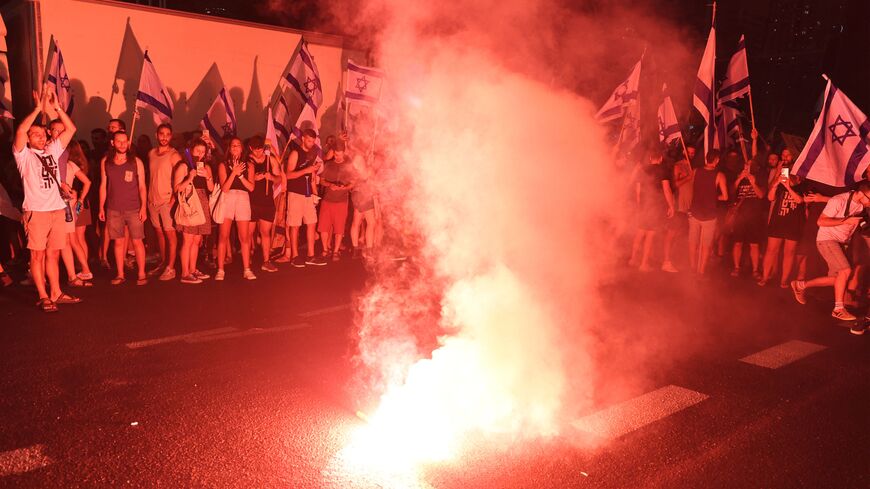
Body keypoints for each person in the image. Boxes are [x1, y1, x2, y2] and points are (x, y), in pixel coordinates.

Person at [12, 89, 81, 311]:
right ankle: (43, 295)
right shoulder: (23, 155)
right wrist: (36, 109)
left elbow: (71, 129)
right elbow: (21, 130)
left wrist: (56, 107)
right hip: (37, 211)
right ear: (29, 139)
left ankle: (56, 292)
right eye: (37, 135)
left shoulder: (52, 150)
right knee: (38, 254)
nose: (42, 138)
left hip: (57, 210)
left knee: (53, 254)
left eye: (43, 134)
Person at [790, 182, 870, 321]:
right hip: (827, 239)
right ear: (861, 194)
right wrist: (846, 221)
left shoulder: (860, 203)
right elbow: (821, 222)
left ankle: (801, 285)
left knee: (837, 279)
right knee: (846, 271)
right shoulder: (838, 200)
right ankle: (838, 309)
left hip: (842, 243)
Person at [99, 131, 148, 286]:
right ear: (113, 143)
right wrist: (101, 207)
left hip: (133, 208)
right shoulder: (106, 161)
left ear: (128, 142)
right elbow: (103, 186)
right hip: (113, 209)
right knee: (118, 243)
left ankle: (141, 273)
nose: (122, 144)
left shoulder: (136, 162)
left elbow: (142, 186)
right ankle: (120, 274)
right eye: (118, 141)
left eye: (124, 141)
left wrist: (143, 207)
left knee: (137, 241)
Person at [278, 128, 326, 267]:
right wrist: (306, 170)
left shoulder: (312, 154)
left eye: (313, 141)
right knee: (295, 225)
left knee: (312, 223)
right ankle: (295, 256)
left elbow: (311, 176)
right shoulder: (295, 153)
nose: (311, 143)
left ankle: (311, 255)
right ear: (303, 138)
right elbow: (288, 175)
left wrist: (315, 193)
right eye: (309, 140)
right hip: (295, 194)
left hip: (308, 194)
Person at [173, 139, 214, 284]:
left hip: (202, 202)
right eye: (198, 151)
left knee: (197, 240)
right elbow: (177, 188)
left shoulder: (206, 167)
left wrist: (207, 177)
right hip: (190, 203)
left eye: (203, 152)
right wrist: (190, 177)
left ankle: (192, 269)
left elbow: (211, 188)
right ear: (191, 151)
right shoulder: (184, 166)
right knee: (188, 239)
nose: (200, 155)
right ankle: (185, 273)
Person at [216, 137, 256, 281]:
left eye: (238, 145)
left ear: (242, 148)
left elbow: (251, 187)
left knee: (244, 237)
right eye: (233, 145)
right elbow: (225, 188)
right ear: (229, 148)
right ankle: (220, 270)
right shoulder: (223, 164)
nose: (235, 148)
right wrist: (233, 172)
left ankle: (247, 269)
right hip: (228, 198)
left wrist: (240, 175)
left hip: (243, 199)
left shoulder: (249, 165)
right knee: (223, 236)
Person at [629, 150, 675, 272]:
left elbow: (637, 191)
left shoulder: (642, 169)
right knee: (650, 234)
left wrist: (640, 205)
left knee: (640, 232)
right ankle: (643, 264)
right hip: (655, 207)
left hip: (644, 205)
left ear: (650, 158)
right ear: (660, 158)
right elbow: (666, 189)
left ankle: (633, 259)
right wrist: (671, 206)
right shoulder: (662, 170)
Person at [759, 171, 805, 288]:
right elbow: (770, 198)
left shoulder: (804, 185)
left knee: (789, 253)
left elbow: (799, 200)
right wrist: (776, 184)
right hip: (778, 222)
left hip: (794, 224)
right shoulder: (780, 184)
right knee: (771, 250)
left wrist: (788, 187)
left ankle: (784, 280)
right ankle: (764, 277)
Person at [146, 123, 181, 281]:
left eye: (167, 134)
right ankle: (163, 262)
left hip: (167, 201)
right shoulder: (151, 153)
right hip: (152, 200)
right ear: (156, 135)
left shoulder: (174, 155)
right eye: (162, 134)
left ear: (171, 136)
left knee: (170, 235)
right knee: (159, 234)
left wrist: (173, 199)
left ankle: (171, 268)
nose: (164, 137)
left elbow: (181, 176)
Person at [688, 150, 728, 276]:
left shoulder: (695, 171)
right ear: (716, 160)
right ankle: (701, 271)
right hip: (710, 215)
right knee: (706, 245)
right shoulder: (720, 175)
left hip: (694, 212)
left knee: (693, 242)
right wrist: (714, 198)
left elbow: (691, 189)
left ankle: (692, 268)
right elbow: (725, 197)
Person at [59, 140, 94, 286]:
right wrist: (80, 200)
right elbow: (87, 182)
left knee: (75, 238)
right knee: (79, 238)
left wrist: (79, 199)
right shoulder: (82, 163)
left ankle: (84, 268)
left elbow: (84, 184)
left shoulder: (67, 165)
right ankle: (83, 267)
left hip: (75, 204)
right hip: (81, 203)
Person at [248, 136, 282, 273]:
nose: (258, 153)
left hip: (267, 201)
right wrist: (253, 178)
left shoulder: (270, 159)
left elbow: (279, 178)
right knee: (249, 232)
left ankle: (266, 261)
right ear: (251, 149)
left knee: (265, 232)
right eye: (255, 150)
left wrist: (271, 178)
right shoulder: (248, 160)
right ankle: (248, 254)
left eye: (260, 149)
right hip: (251, 201)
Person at [728, 158, 767, 279]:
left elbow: (761, 195)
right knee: (738, 243)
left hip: (754, 217)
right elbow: (731, 192)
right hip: (740, 216)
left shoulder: (759, 178)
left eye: (750, 165)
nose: (747, 167)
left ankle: (755, 270)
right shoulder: (739, 177)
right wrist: (739, 178)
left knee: (754, 244)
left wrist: (753, 182)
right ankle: (736, 268)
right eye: (745, 165)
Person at [318, 140, 355, 261]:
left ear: (343, 153)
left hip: (341, 201)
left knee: (339, 227)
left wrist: (345, 187)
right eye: (335, 154)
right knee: (323, 226)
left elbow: (353, 183)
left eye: (339, 154)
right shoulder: (328, 165)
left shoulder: (349, 165)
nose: (336, 156)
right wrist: (330, 185)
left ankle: (335, 251)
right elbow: (321, 181)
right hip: (327, 200)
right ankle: (325, 249)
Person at [349, 153, 379, 259]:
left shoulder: (353, 172)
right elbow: (373, 185)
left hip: (356, 196)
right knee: (371, 223)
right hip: (365, 196)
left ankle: (355, 250)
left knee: (356, 222)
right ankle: (369, 250)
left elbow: (351, 185)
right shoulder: (368, 170)